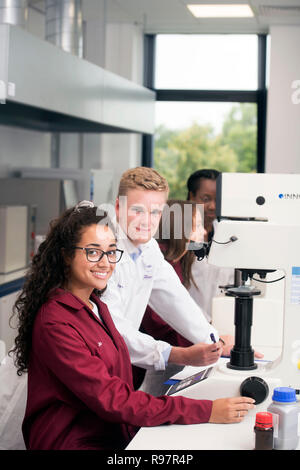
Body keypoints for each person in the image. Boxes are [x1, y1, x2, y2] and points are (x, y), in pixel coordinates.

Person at [10, 202, 255, 450]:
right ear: (66, 254)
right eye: (93, 252)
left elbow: (174, 301)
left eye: (111, 251)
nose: (105, 263)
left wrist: (211, 341)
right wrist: (208, 410)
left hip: (110, 431)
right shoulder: (56, 322)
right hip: (72, 441)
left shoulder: (96, 306)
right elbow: (113, 399)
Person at [101, 167, 229, 375]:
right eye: (138, 210)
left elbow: (175, 299)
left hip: (116, 363)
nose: (146, 221)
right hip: (92, 362)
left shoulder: (148, 248)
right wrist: (176, 354)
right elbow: (112, 328)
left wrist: (214, 342)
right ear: (118, 207)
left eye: (155, 212)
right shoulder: (102, 250)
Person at [187, 169, 235, 323]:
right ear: (191, 196)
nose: (213, 206)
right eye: (206, 198)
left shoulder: (229, 236)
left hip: (222, 324)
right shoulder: (179, 238)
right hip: (186, 326)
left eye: (217, 199)